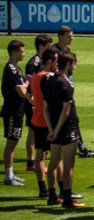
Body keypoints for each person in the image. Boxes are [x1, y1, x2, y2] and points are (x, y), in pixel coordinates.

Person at [43, 51, 84, 208]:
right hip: (67, 129)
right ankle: (67, 199)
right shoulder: (67, 84)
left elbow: (45, 106)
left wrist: (51, 129)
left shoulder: (50, 80)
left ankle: (52, 195)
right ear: (68, 65)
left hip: (54, 128)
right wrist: (58, 130)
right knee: (68, 165)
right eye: (74, 64)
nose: (75, 67)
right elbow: (66, 111)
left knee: (53, 162)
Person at [56, 26, 94, 158]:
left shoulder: (67, 50)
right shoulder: (54, 51)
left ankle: (80, 147)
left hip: (67, 88)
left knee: (73, 119)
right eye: (69, 36)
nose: (72, 38)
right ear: (61, 36)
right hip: (58, 90)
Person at [28, 47, 60, 199]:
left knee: (40, 154)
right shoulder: (49, 78)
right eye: (56, 60)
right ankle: (61, 189)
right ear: (49, 61)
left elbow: (28, 93)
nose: (57, 64)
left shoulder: (35, 76)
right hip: (48, 122)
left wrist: (35, 104)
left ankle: (42, 189)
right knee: (56, 156)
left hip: (36, 119)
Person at [23, 34, 52, 172]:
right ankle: (31, 161)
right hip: (34, 104)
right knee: (33, 132)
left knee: (34, 132)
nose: (50, 47)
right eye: (48, 45)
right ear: (41, 46)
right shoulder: (34, 63)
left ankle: (34, 161)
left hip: (36, 103)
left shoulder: (39, 61)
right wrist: (32, 102)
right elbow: (28, 86)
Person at [2, 40, 28, 186]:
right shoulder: (11, 69)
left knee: (14, 141)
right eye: (22, 51)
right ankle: (8, 176)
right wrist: (27, 84)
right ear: (14, 52)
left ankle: (11, 174)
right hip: (12, 111)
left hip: (17, 110)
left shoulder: (16, 68)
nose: (23, 54)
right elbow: (21, 91)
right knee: (11, 142)